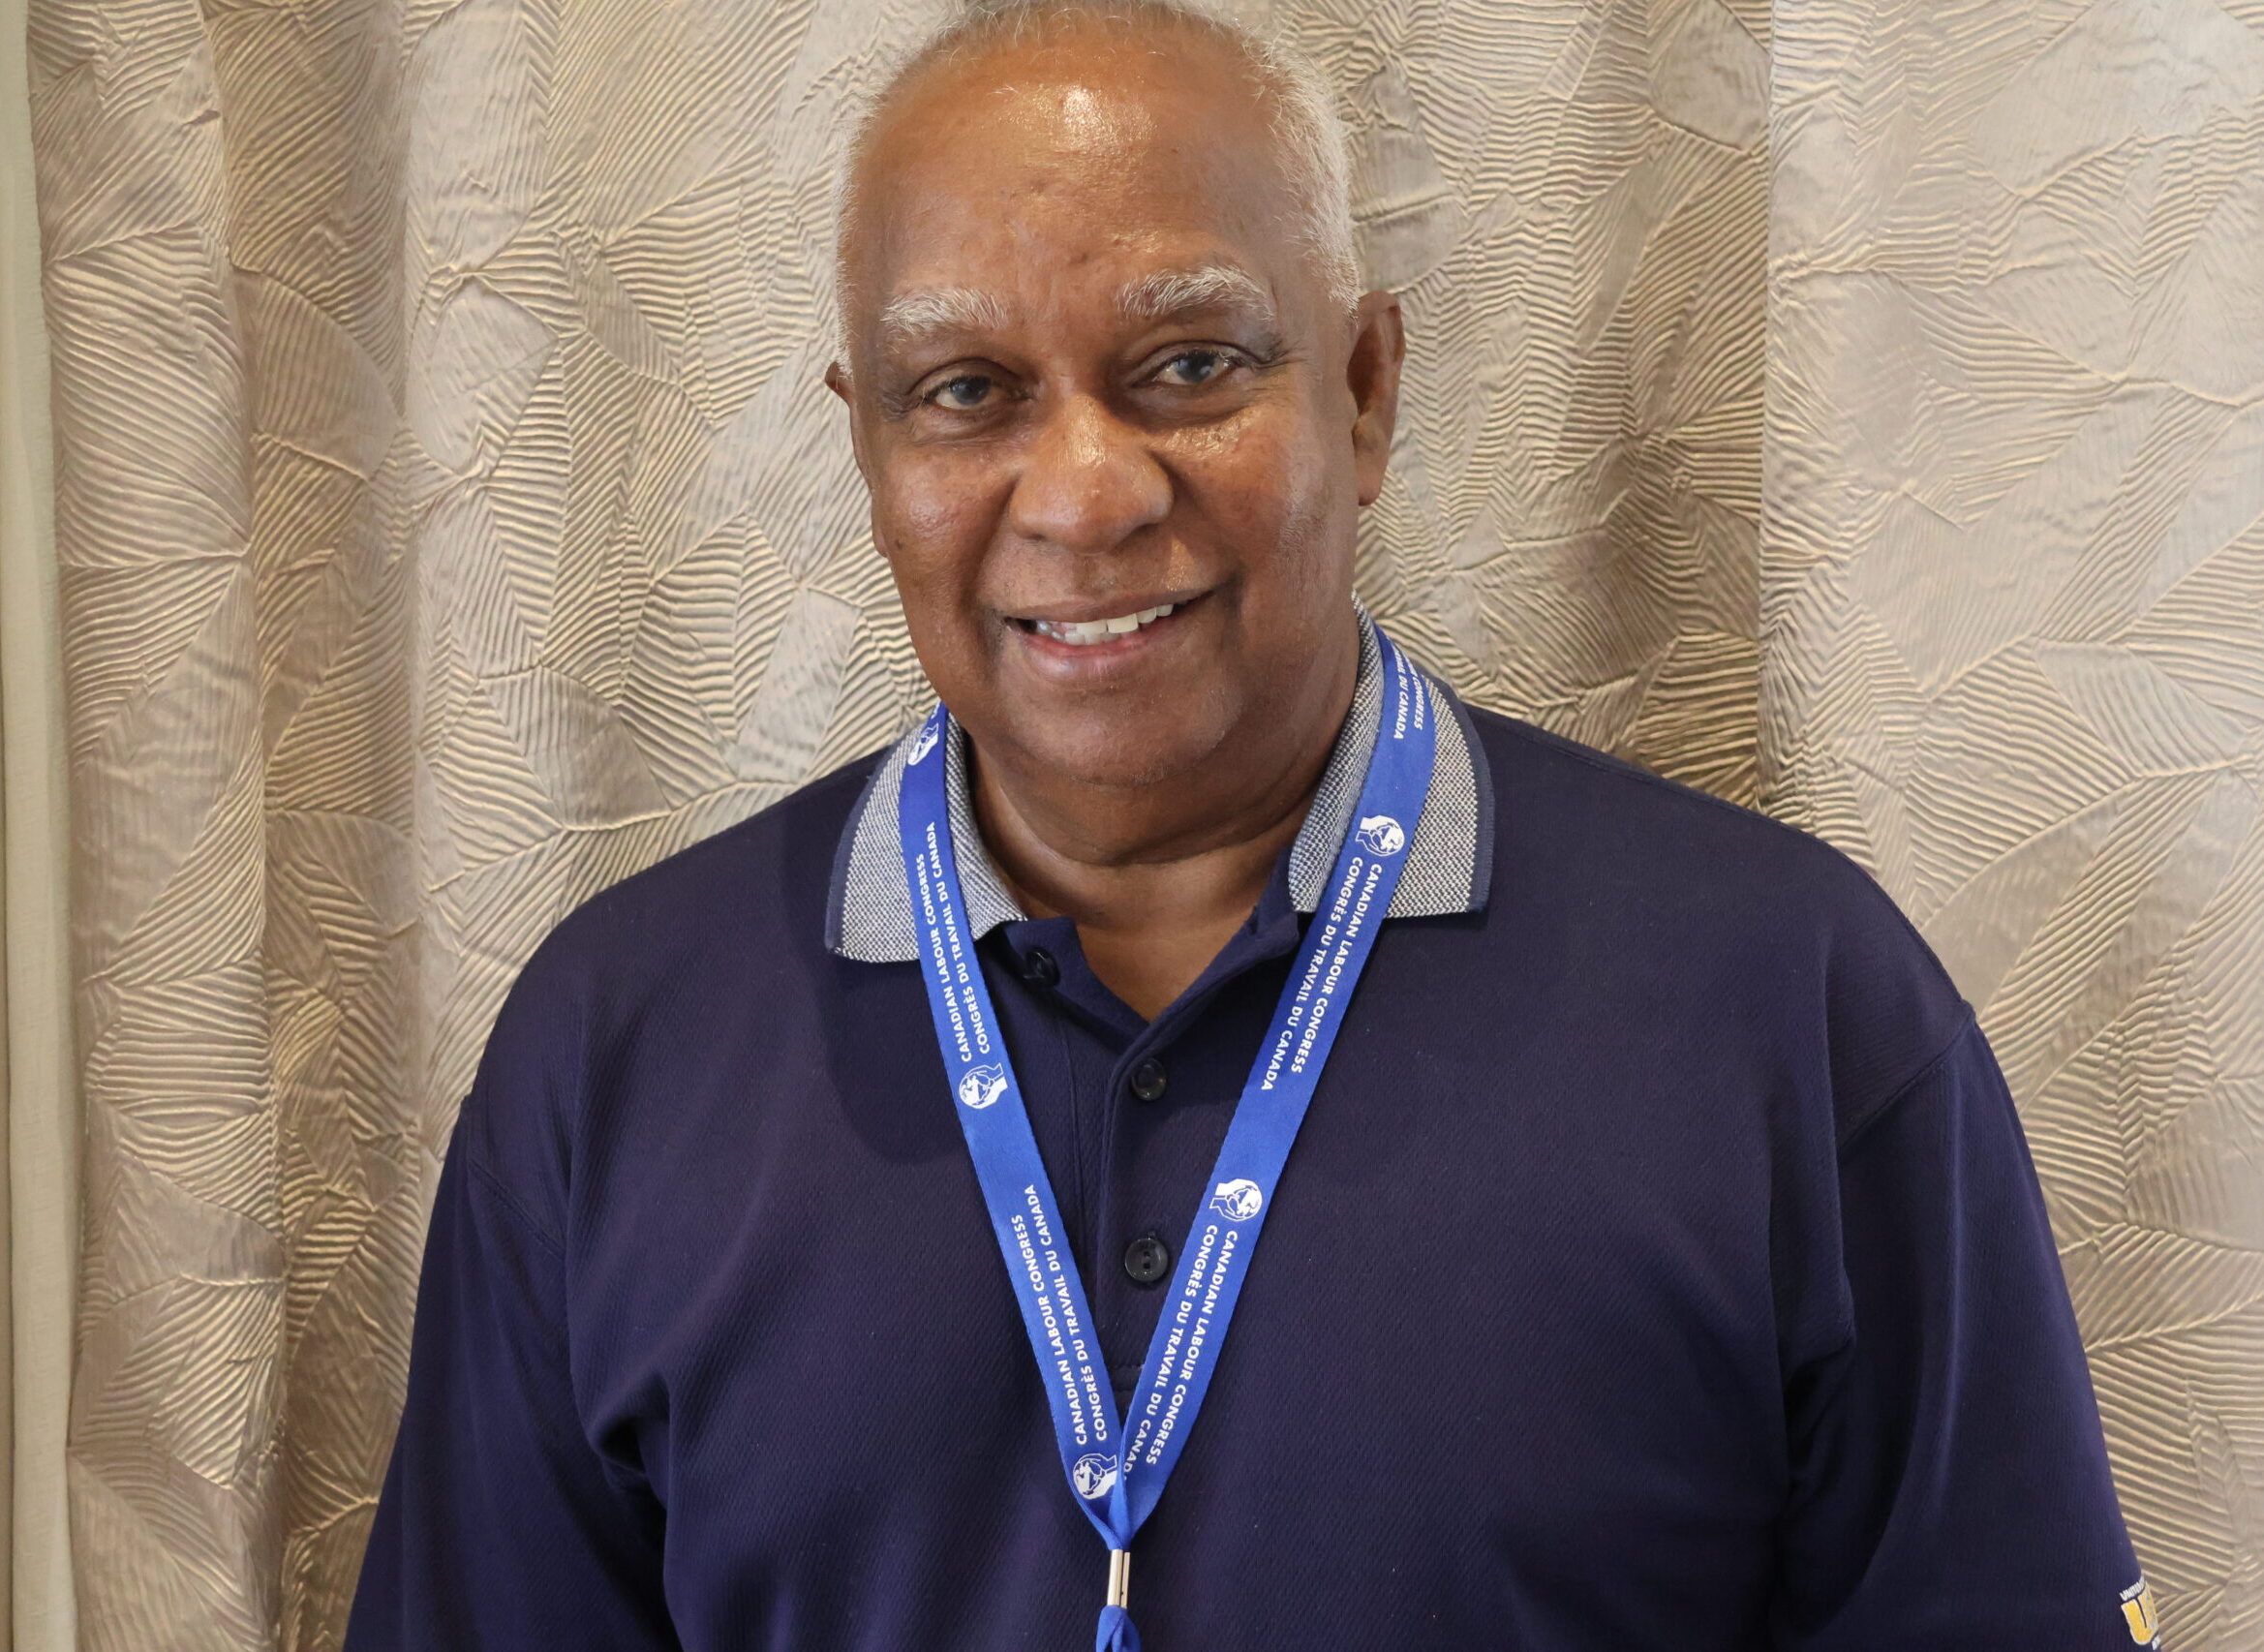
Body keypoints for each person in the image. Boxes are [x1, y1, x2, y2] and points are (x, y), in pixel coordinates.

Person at [344, 2, 2163, 1648]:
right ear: (869, 448)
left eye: (1190, 365)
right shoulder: (614, 1046)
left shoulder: (1789, 1002)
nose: (1082, 495)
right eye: (966, 392)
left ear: (1363, 391)